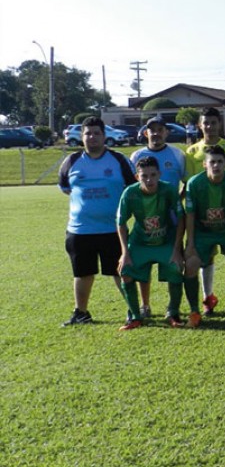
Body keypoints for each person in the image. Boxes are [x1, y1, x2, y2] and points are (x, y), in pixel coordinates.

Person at [58, 116, 136, 326]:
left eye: (96, 133)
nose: (92, 137)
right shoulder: (71, 161)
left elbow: (132, 189)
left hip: (113, 229)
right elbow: (66, 187)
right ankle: (81, 313)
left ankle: (134, 311)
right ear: (81, 136)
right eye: (87, 133)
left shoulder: (119, 160)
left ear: (104, 136)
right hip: (80, 230)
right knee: (83, 273)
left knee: (121, 271)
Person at [116, 156, 194, 330]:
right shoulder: (130, 193)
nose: (149, 180)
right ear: (137, 177)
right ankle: (135, 316)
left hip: (165, 242)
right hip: (140, 244)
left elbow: (181, 219)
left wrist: (176, 250)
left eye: (153, 175)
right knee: (125, 271)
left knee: (175, 267)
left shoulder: (168, 190)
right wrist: (125, 254)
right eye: (144, 176)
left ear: (159, 174)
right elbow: (121, 223)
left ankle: (173, 313)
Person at [184, 107, 225, 315]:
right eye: (206, 123)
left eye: (213, 122)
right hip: (203, 222)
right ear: (199, 125)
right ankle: (206, 297)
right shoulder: (192, 152)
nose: (209, 126)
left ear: (219, 124)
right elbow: (190, 187)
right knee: (204, 259)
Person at [130, 116, 188, 318]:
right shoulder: (137, 155)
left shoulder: (177, 154)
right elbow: (133, 186)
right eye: (151, 130)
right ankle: (145, 305)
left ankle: (173, 308)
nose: (156, 133)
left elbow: (186, 181)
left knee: (173, 261)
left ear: (167, 132)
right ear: (146, 133)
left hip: (171, 219)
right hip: (145, 218)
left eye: (160, 129)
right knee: (143, 265)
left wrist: (176, 201)